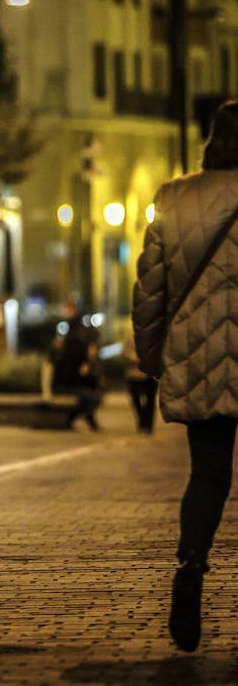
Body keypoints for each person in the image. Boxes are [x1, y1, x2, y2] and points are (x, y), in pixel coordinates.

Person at [132, 98, 238, 653]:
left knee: (209, 472)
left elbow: (151, 290)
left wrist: (152, 355)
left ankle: (192, 564)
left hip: (199, 355)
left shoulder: (175, 198)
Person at [49, 303, 102, 430]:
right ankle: (80, 420)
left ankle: (74, 420)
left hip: (71, 383)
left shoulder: (75, 335)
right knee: (90, 397)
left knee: (91, 396)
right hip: (65, 385)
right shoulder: (71, 342)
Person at [122, 323, 156, 434]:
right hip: (134, 371)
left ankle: (148, 424)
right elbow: (125, 350)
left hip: (150, 371)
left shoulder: (154, 329)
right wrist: (136, 358)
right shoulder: (129, 331)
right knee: (135, 398)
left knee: (150, 399)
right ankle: (142, 420)